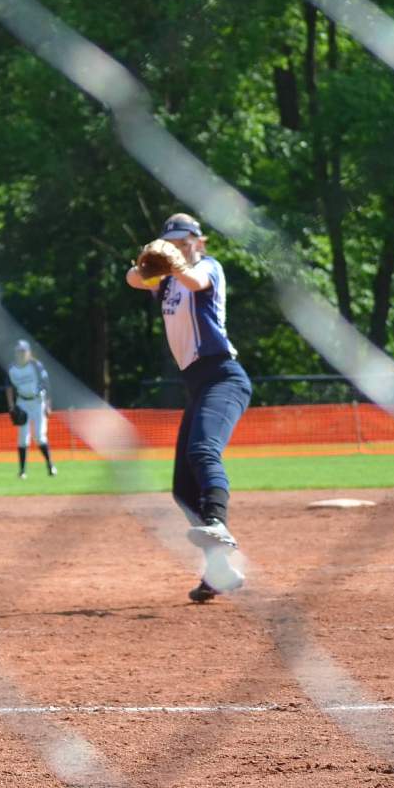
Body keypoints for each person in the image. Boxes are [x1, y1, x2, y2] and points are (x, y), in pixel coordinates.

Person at [129, 212, 253, 604]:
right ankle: (218, 569)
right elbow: (133, 279)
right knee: (183, 488)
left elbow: (196, 281)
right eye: (172, 243)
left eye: (185, 241)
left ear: (199, 242)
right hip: (197, 386)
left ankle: (217, 523)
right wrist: (146, 265)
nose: (179, 248)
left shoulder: (208, 268)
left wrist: (179, 263)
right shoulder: (165, 282)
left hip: (223, 377)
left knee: (203, 450)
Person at [4, 340, 55, 479]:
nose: (21, 354)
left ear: (29, 352)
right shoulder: (12, 368)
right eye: (19, 351)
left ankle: (50, 465)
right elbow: (8, 387)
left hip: (38, 402)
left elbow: (47, 384)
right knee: (23, 437)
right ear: (15, 353)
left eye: (23, 351)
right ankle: (22, 471)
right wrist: (11, 406)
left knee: (39, 436)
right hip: (22, 403)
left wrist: (48, 405)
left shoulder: (36, 366)